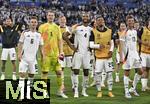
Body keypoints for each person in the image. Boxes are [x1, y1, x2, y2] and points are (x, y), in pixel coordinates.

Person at [38, 10, 68, 98]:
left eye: (52, 15)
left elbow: (60, 40)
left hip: (56, 54)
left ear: (54, 17)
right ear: (47, 16)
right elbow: (39, 41)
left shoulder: (57, 27)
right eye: (49, 15)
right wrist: (41, 53)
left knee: (59, 72)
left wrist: (61, 51)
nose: (50, 17)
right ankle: (43, 92)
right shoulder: (42, 27)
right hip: (46, 54)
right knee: (44, 72)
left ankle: (60, 91)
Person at [63, 13, 92, 98]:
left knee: (86, 72)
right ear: (81, 18)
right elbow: (64, 35)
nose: (85, 17)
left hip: (87, 54)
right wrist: (71, 46)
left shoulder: (91, 29)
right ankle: (76, 91)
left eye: (87, 16)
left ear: (89, 18)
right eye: (84, 16)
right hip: (78, 53)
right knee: (76, 71)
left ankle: (83, 91)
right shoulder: (77, 27)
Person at [17, 16, 44, 100]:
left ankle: (28, 94)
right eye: (32, 22)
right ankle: (21, 95)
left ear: (37, 23)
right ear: (29, 23)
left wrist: (43, 56)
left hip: (33, 59)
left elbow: (41, 46)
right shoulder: (24, 32)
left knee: (31, 76)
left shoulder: (39, 34)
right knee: (22, 75)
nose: (33, 23)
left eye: (35, 22)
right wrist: (19, 54)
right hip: (24, 59)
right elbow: (20, 44)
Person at [89, 15, 115, 98]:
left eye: (102, 20)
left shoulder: (110, 31)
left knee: (110, 74)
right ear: (96, 22)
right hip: (99, 58)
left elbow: (112, 42)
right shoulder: (93, 31)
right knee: (97, 74)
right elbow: (90, 44)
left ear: (104, 21)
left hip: (108, 57)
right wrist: (97, 46)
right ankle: (99, 91)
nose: (101, 22)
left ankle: (110, 91)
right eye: (99, 20)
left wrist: (111, 51)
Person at [120, 15, 143, 98]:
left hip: (135, 54)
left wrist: (137, 53)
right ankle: (126, 92)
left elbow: (135, 42)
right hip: (128, 55)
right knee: (127, 72)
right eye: (129, 21)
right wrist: (123, 56)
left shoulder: (135, 31)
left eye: (132, 21)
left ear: (134, 22)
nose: (131, 22)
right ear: (127, 22)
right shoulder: (124, 32)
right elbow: (121, 44)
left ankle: (133, 88)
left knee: (140, 71)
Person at [58, 15, 73, 91]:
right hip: (61, 53)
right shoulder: (56, 29)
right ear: (59, 21)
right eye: (61, 20)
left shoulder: (69, 29)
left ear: (66, 21)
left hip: (70, 52)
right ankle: (62, 86)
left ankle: (74, 85)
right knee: (61, 69)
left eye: (64, 20)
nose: (62, 21)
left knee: (73, 69)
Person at [139, 19, 150, 91]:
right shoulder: (143, 29)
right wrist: (143, 43)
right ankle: (143, 86)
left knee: (148, 69)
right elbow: (137, 38)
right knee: (143, 69)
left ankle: (145, 85)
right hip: (143, 53)